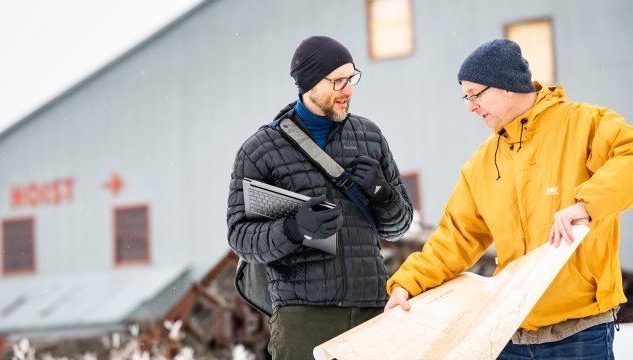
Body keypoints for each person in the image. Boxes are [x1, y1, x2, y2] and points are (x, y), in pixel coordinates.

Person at [385, 38, 633, 359]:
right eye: (466, 96)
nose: (469, 106)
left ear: (507, 87)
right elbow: (455, 238)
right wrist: (408, 283)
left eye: (475, 94)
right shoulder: (483, 163)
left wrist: (587, 204)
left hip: (580, 331)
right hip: (509, 334)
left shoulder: (584, 125)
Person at [226, 35, 413, 359]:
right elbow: (240, 237)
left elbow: (400, 225)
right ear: (309, 83)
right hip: (303, 317)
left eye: (351, 78)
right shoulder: (260, 151)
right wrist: (293, 229)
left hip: (372, 309)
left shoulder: (370, 137)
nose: (349, 90)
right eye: (338, 81)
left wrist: (381, 191)